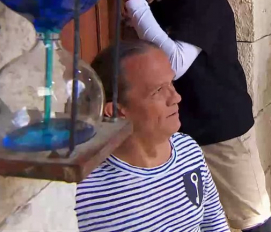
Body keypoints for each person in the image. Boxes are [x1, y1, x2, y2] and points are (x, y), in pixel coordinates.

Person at [110, 0, 271, 232]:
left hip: (220, 133)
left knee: (253, 223)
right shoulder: (155, 8)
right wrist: (138, 14)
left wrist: (134, 1)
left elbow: (174, 64)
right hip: (180, 137)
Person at [76, 41, 229, 232]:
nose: (176, 97)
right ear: (116, 111)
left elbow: (215, 226)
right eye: (157, 91)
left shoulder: (188, 151)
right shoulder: (84, 191)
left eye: (171, 83)